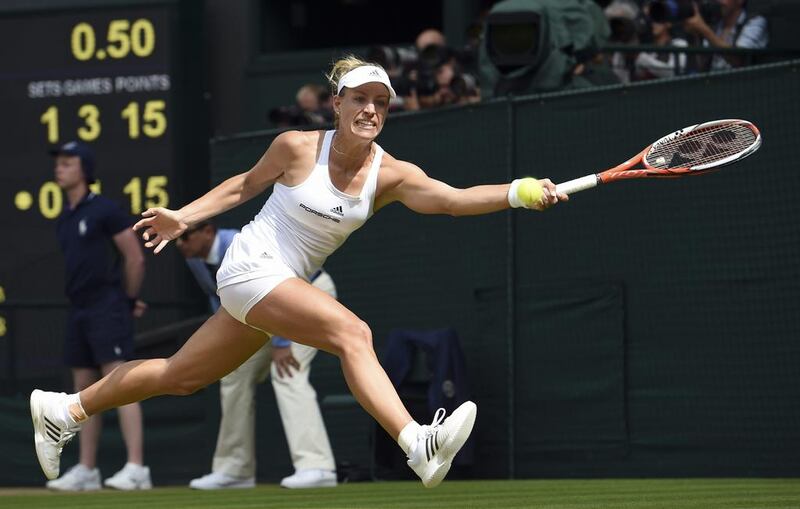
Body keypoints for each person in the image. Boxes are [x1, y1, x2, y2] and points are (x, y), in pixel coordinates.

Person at [29, 56, 567, 489]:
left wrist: (519, 193)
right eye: (360, 99)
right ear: (337, 104)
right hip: (249, 267)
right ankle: (417, 444)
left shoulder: (392, 175)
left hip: (277, 286)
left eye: (381, 102)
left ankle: (65, 410)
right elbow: (242, 185)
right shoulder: (296, 147)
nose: (371, 110)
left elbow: (453, 200)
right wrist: (184, 216)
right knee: (353, 333)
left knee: (180, 377)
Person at [175, 222, 338, 489]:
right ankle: (235, 470)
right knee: (234, 374)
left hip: (306, 293)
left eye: (185, 236)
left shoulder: (238, 246)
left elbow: (289, 285)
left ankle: (317, 467)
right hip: (259, 308)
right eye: (177, 240)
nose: (181, 244)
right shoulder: (194, 259)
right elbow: (221, 299)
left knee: (287, 372)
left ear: (207, 232)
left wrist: (283, 342)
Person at [45, 141, 151, 491]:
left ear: (84, 170)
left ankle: (137, 468)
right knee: (83, 390)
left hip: (108, 305)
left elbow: (134, 257)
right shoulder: (65, 218)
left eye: (67, 163)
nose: (59, 168)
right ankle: (87, 470)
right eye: (57, 164)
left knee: (120, 381)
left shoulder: (105, 209)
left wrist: (128, 299)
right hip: (79, 309)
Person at [682, 0, 768, 70]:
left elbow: (738, 60)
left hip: (743, 86)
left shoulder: (756, 22)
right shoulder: (715, 25)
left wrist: (704, 30)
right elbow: (702, 66)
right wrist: (696, 35)